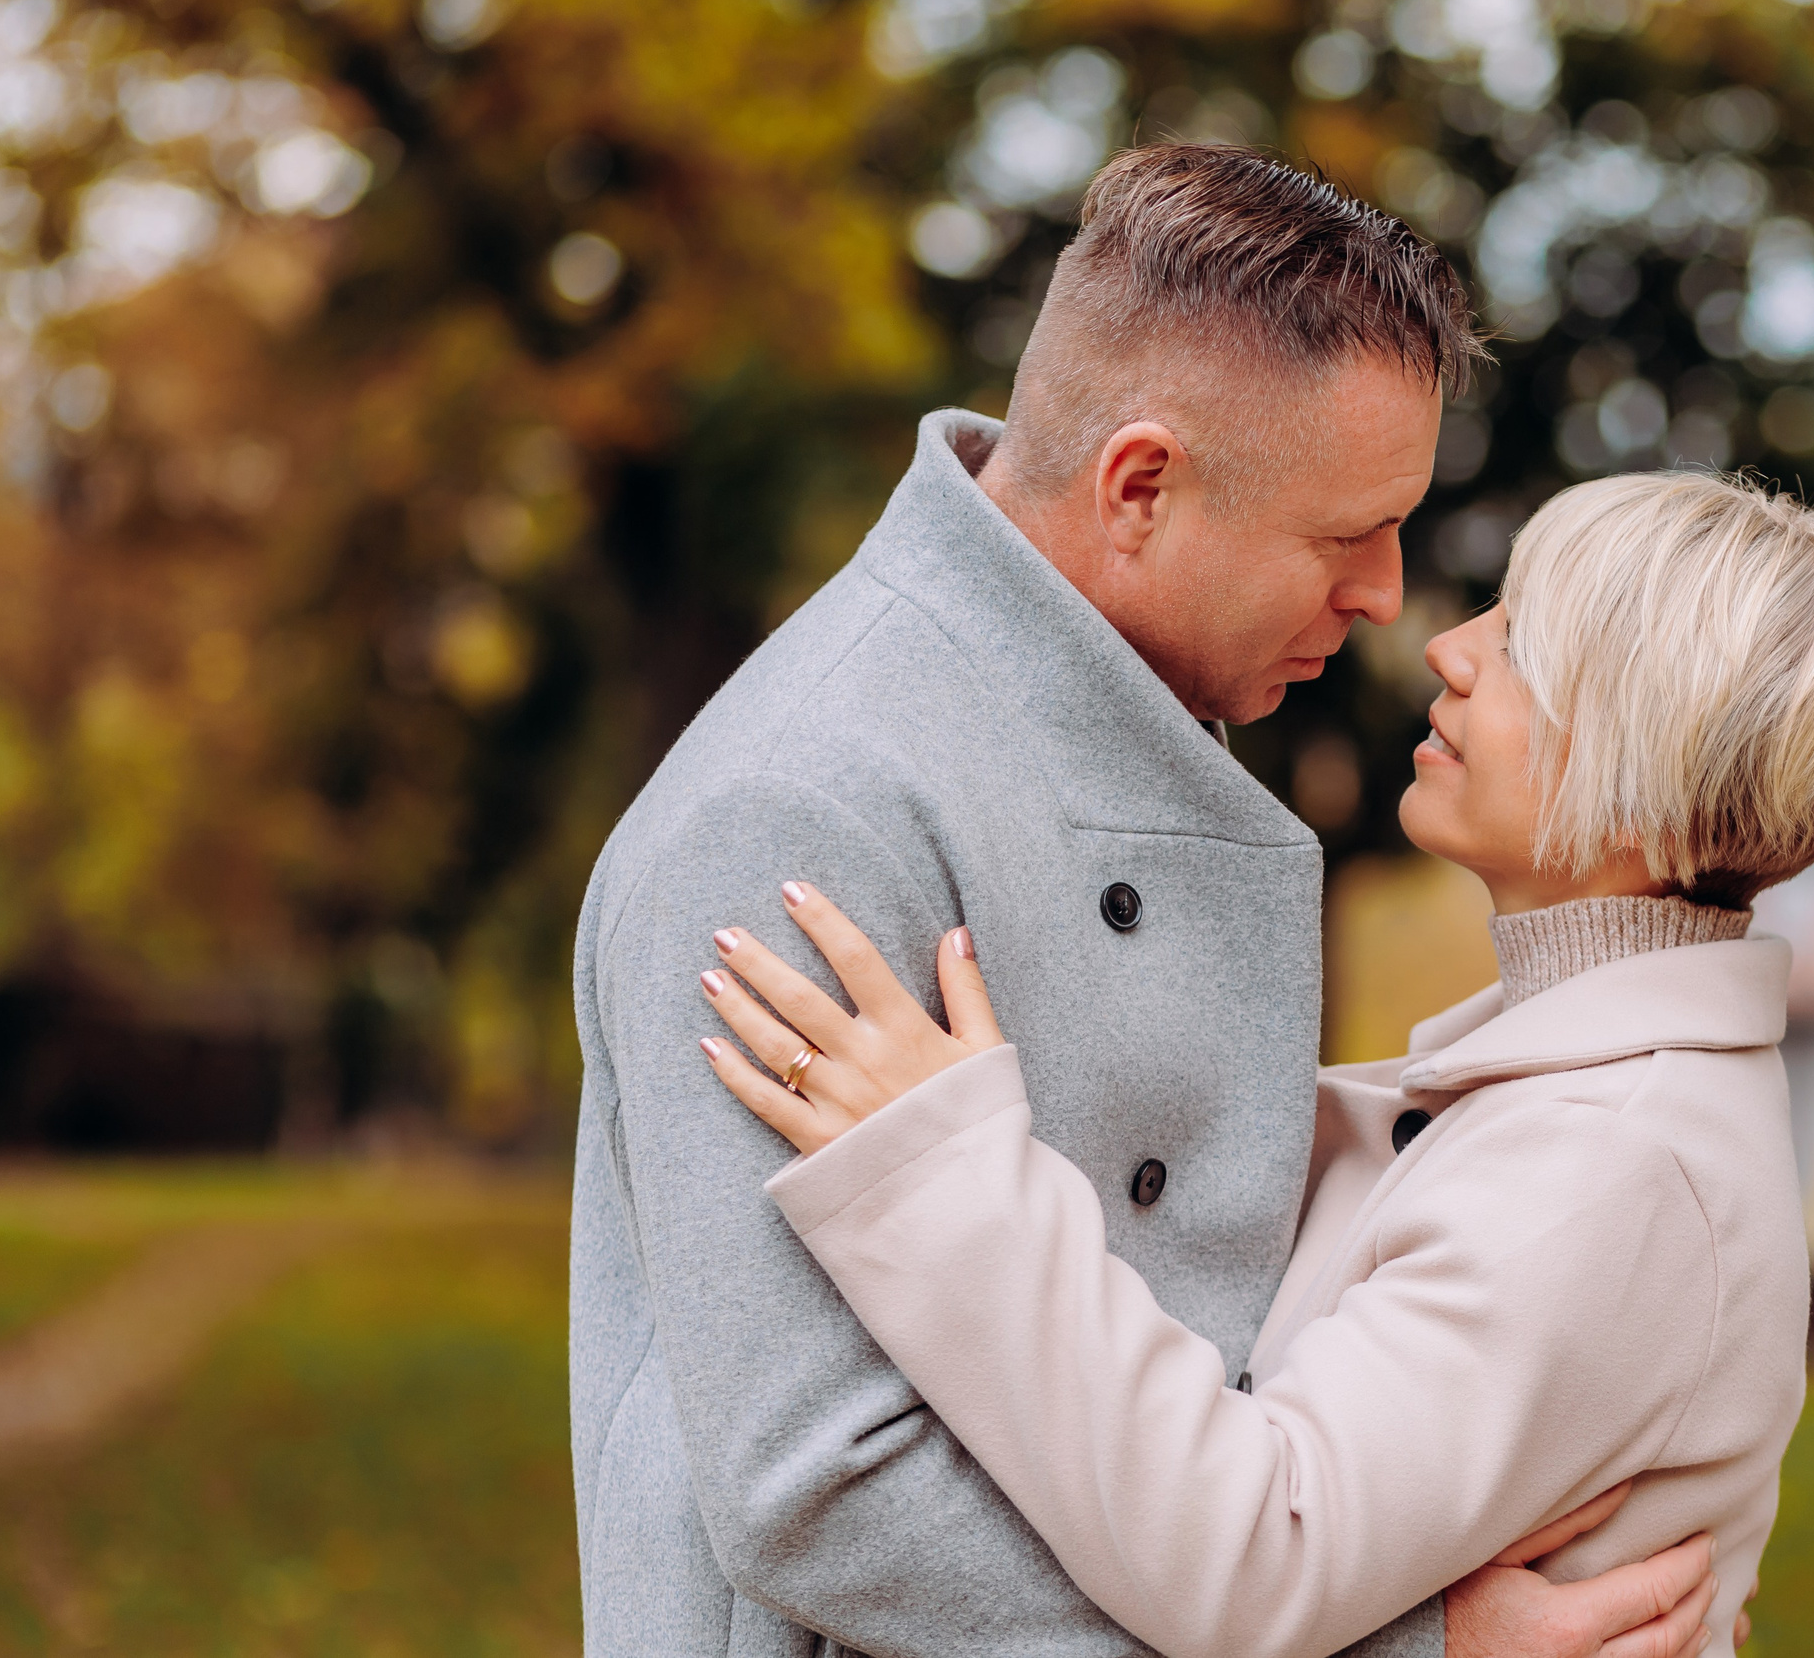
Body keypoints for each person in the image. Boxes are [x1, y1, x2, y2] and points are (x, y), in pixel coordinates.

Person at [569, 143, 1717, 1657]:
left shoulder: (1135, 703)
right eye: (1343, 533)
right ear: (1141, 487)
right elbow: (822, 1491)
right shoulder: (803, 809)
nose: (1385, 594)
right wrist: (1392, 1646)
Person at [695, 472, 1814, 1658]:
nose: (1451, 647)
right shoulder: (1587, 1102)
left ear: (1650, 791)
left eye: (1527, 648)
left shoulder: (1608, 1162)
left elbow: (1253, 1557)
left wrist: (937, 1177)